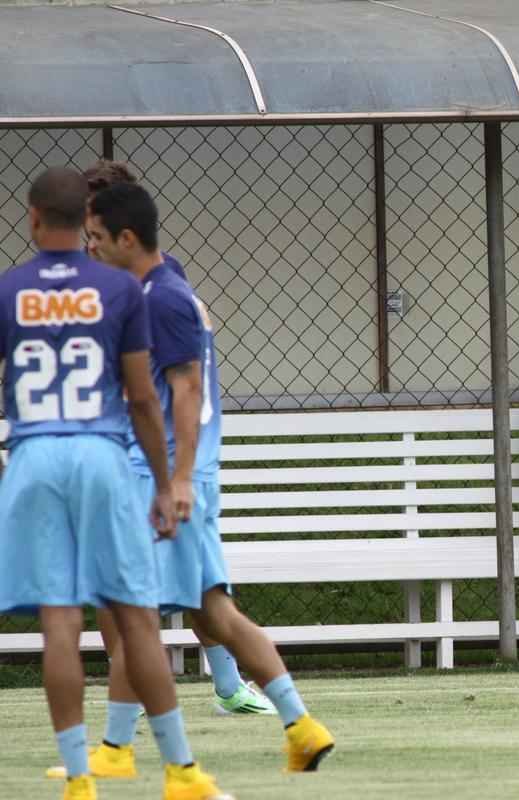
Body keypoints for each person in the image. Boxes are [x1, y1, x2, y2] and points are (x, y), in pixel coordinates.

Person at [73, 182, 334, 778]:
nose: (87, 247)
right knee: (211, 614)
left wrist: (179, 480)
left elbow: (186, 391)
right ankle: (301, 725)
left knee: (140, 611)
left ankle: (118, 751)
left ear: (126, 237)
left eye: (94, 237)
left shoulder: (162, 299)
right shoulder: (152, 291)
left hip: (161, 478)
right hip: (167, 475)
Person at [0, 167, 231, 800]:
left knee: (58, 622)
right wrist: (165, 480)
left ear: (33, 218)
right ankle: (181, 771)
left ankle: (79, 777)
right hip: (102, 455)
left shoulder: (8, 288)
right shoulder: (119, 291)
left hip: (35, 452)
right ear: (87, 224)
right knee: (136, 618)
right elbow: (141, 398)